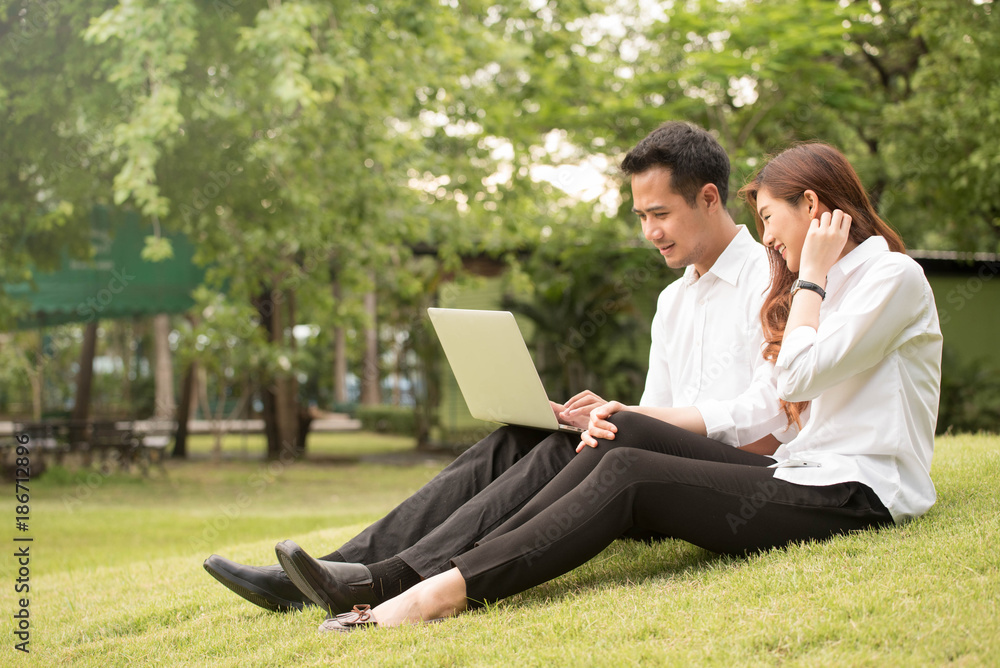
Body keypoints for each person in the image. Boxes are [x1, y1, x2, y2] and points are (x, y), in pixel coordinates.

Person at [302, 141, 943, 632]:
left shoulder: (891, 279)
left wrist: (814, 277)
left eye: (773, 217)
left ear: (814, 208)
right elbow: (779, 391)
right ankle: (402, 571)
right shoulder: (809, 284)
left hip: (859, 491)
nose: (770, 236)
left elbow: (793, 381)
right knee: (618, 430)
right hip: (801, 471)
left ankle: (435, 592)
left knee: (630, 470)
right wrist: (619, 411)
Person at [205, 121, 788, 615]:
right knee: (528, 432)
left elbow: (775, 415)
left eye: (660, 214)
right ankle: (333, 571)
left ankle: (390, 578)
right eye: (639, 216)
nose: (649, 233)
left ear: (709, 198)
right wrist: (604, 413)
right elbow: (657, 404)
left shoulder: (771, 277)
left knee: (574, 445)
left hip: (735, 476)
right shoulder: (674, 300)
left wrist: (629, 421)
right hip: (658, 456)